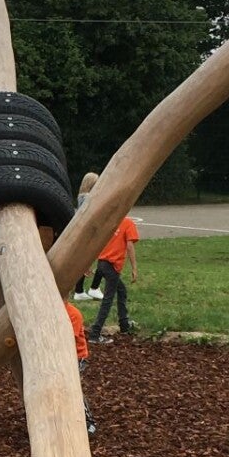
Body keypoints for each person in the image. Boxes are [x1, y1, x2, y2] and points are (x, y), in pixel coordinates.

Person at [88, 214, 140, 343]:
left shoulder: (110, 221)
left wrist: (89, 263)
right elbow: (130, 246)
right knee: (108, 300)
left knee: (121, 290)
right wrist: (134, 268)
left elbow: (96, 243)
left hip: (102, 263)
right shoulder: (128, 223)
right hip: (112, 266)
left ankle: (124, 324)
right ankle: (95, 333)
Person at [66, 296, 96, 436]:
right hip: (61, 355)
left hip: (76, 357)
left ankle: (88, 420)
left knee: (72, 386)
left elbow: (68, 339)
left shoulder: (73, 314)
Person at [71, 172, 101, 298]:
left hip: (83, 230)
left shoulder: (81, 196)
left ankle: (80, 289)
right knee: (85, 260)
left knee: (84, 260)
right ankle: (80, 290)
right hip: (86, 231)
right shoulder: (88, 197)